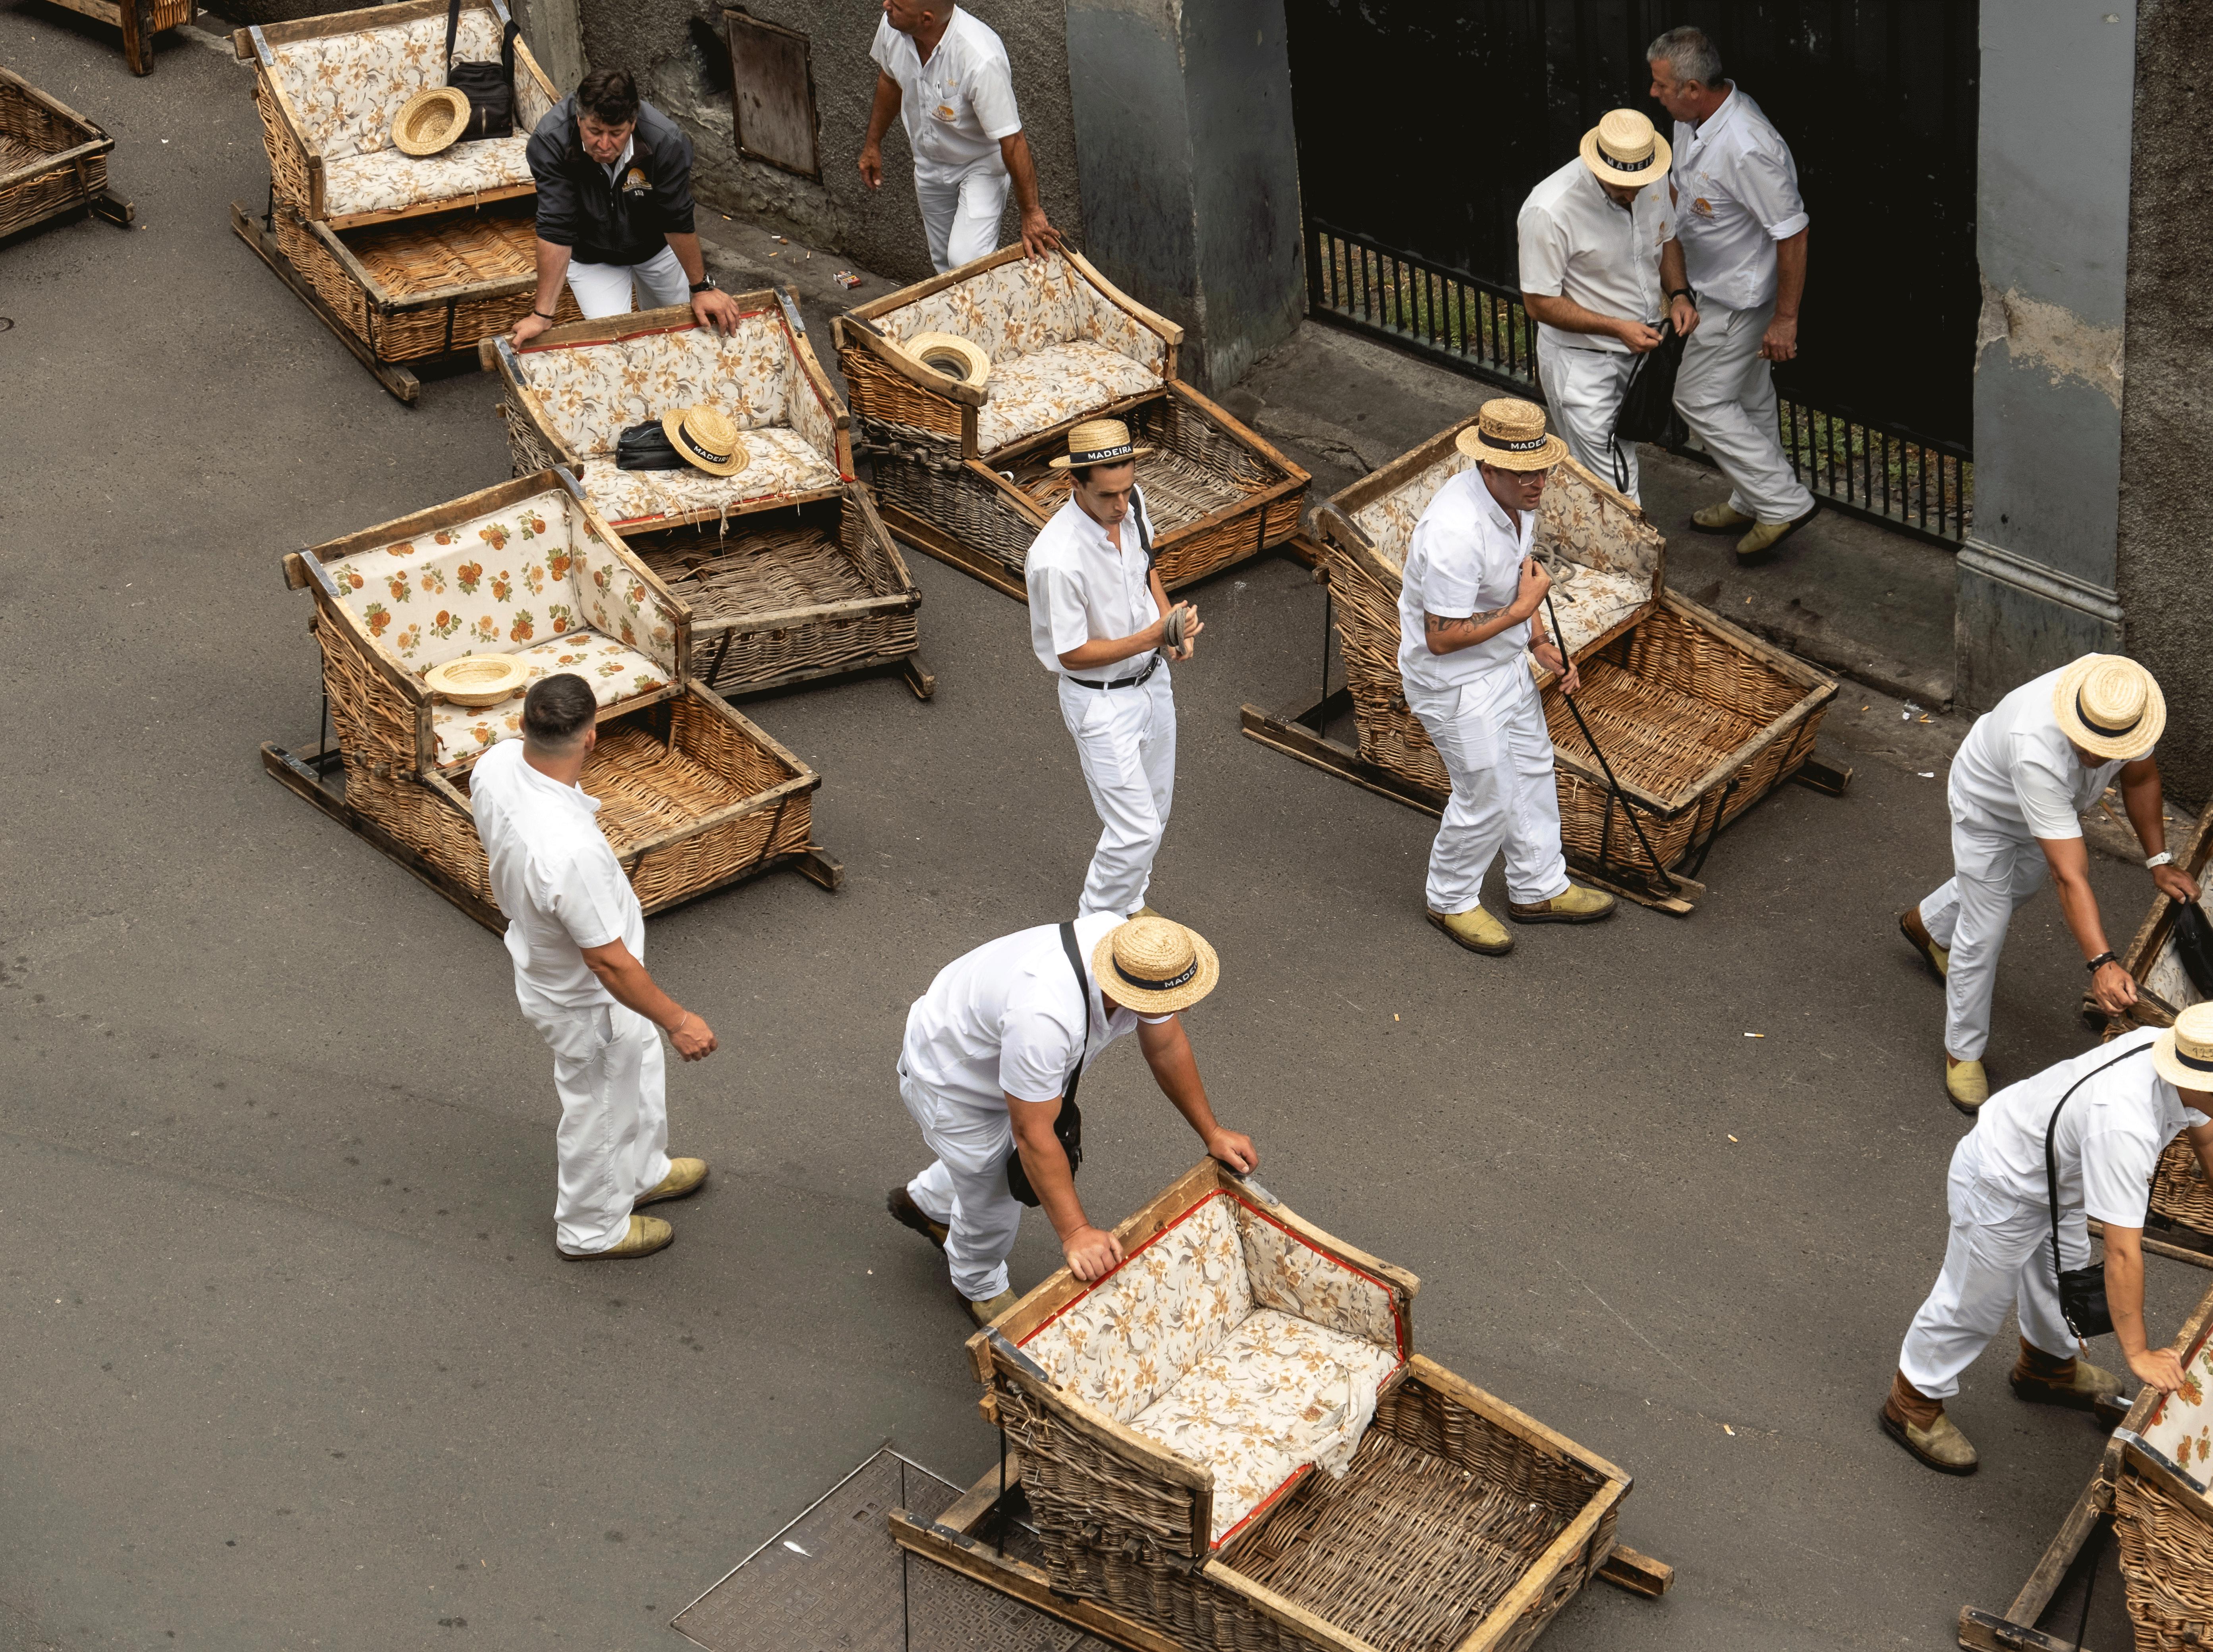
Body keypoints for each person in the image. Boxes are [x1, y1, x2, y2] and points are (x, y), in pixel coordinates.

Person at [1881, 1007, 2213, 1475]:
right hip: (2002, 1179)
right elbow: (2121, 1252)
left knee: (2065, 1271)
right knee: (1973, 1303)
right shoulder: (2125, 1123)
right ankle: (1912, 1400)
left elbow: (2208, 1137)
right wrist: (2138, 1354)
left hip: (2056, 1176)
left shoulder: (2182, 1055)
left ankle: (2046, 1366)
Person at [887, 913, 1255, 1324]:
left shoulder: (1133, 954)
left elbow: (1166, 1044)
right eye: (1179, 998)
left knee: (983, 1166)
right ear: (1126, 992)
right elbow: (1032, 1133)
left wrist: (1212, 1130)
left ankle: (928, 1204)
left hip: (1003, 1056)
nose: (1186, 1005)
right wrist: (1076, 1232)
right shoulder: (1043, 1017)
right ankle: (979, 1284)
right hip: (954, 1081)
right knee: (993, 1196)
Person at [469, 675, 718, 1259]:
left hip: (558, 970)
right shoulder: (569, 853)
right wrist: (678, 1020)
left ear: (525, 723)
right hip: (589, 1001)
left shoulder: (498, 764)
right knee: (601, 1109)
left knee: (636, 1070)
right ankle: (590, 1229)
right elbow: (608, 963)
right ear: (590, 737)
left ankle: (642, 1173)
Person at [1899, 655, 2196, 1112]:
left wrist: (2159, 860)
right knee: (1985, 929)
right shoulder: (2035, 747)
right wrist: (2101, 963)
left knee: (2017, 887)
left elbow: (2141, 778)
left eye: (2106, 750)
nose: (2095, 757)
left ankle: (1929, 923)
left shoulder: (2123, 701)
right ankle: (1963, 1050)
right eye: (2087, 744)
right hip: (1990, 812)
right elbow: (2069, 873)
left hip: (2050, 816)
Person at [1398, 399, 1617, 957]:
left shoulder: (1518, 497)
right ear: (1488, 468)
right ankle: (1449, 899)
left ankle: (1539, 887)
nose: (1539, 482)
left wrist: (1540, 643)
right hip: (1456, 683)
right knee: (1486, 794)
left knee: (1531, 768)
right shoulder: (1455, 531)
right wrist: (1522, 616)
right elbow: (1441, 638)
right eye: (1525, 472)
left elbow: (1520, 580)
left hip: (1505, 662)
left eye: (1542, 468)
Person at [1646, 26, 1819, 564]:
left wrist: (1785, 320)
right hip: (1715, 283)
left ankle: (1782, 501)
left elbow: (1792, 232)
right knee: (1749, 399)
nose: (1654, 94)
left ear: (1694, 88)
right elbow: (1681, 185)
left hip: (1739, 297)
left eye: (1661, 86)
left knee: (1697, 397)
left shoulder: (1747, 146)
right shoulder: (1692, 120)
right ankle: (1753, 499)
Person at [1025, 418, 1199, 921]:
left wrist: (1173, 629)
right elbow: (1070, 654)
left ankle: (1128, 903)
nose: (1121, 506)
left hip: (1152, 684)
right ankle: (1094, 926)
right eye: (1108, 496)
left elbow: (1146, 569)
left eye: (1126, 490)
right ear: (1074, 484)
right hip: (1099, 702)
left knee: (1156, 812)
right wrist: (1153, 635)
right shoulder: (1056, 559)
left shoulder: (1133, 503)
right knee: (1134, 828)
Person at [1517, 107, 1695, 504]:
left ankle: (1587, 548)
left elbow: (1665, 240)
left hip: (1638, 356)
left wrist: (1680, 293)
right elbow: (1539, 303)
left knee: (1595, 476)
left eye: (1640, 183)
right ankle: (1629, 564)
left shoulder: (1651, 175)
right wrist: (1617, 327)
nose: (1634, 193)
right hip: (1582, 362)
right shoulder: (1548, 210)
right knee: (1616, 483)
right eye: (1621, 186)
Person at [510, 67, 743, 345]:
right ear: (578, 118)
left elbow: (677, 218)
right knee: (615, 345)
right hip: (592, 256)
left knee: (684, 335)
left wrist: (701, 288)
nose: (604, 145)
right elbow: (556, 227)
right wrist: (542, 315)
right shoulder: (550, 141)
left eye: (616, 133)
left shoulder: (666, 141)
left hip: (656, 247)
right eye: (594, 131)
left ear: (632, 123)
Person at [859, 0, 1061, 272]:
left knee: (966, 261)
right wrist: (873, 144)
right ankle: (968, 313)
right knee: (944, 266)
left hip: (980, 166)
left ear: (927, 20)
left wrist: (1031, 212)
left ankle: (992, 311)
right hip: (928, 164)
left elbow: (1012, 140)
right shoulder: (893, 26)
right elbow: (890, 81)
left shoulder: (980, 57)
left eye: (896, 5)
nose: (886, 5)